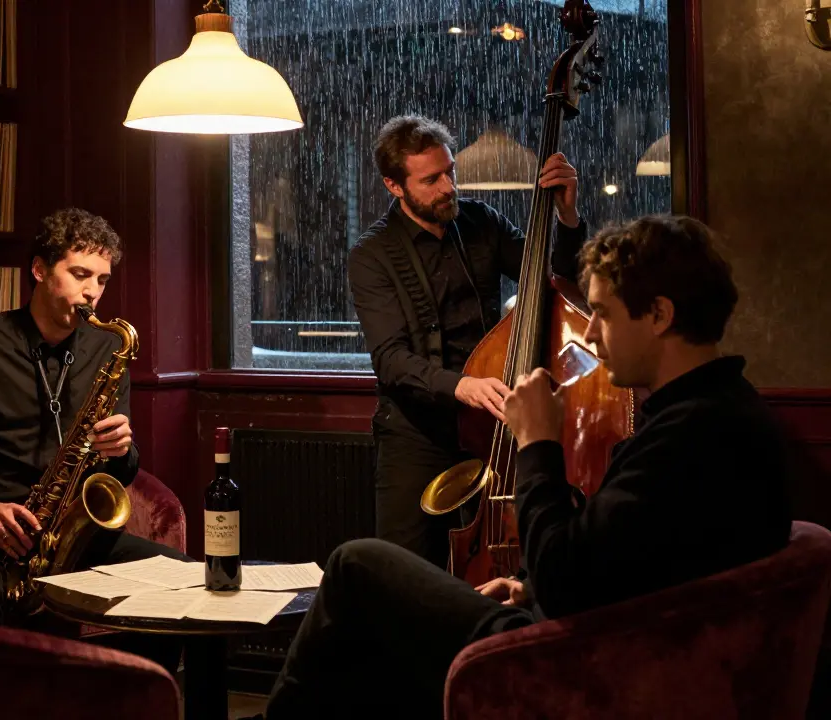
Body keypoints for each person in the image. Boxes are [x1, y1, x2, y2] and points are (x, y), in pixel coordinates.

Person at [261, 215, 793, 718]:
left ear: (658, 314)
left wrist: (537, 443)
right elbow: (628, 556)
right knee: (376, 645)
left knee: (356, 564)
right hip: (585, 626)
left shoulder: (691, 434)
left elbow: (568, 580)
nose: (589, 336)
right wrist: (527, 585)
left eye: (603, 313)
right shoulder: (720, 411)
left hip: (574, 659)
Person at [0, 207, 189, 673]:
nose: (92, 291)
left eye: (102, 279)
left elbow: (121, 471)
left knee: (180, 580)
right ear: (39, 270)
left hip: (76, 532)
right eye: (79, 274)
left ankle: (133, 702)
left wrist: (121, 451)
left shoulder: (109, 348)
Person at [349, 115, 591, 568]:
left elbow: (556, 282)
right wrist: (463, 386)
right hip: (418, 433)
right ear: (394, 186)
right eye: (431, 180)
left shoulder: (481, 222)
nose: (447, 188)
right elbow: (391, 360)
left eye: (450, 172)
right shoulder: (372, 255)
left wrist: (567, 216)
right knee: (405, 570)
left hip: (493, 425)